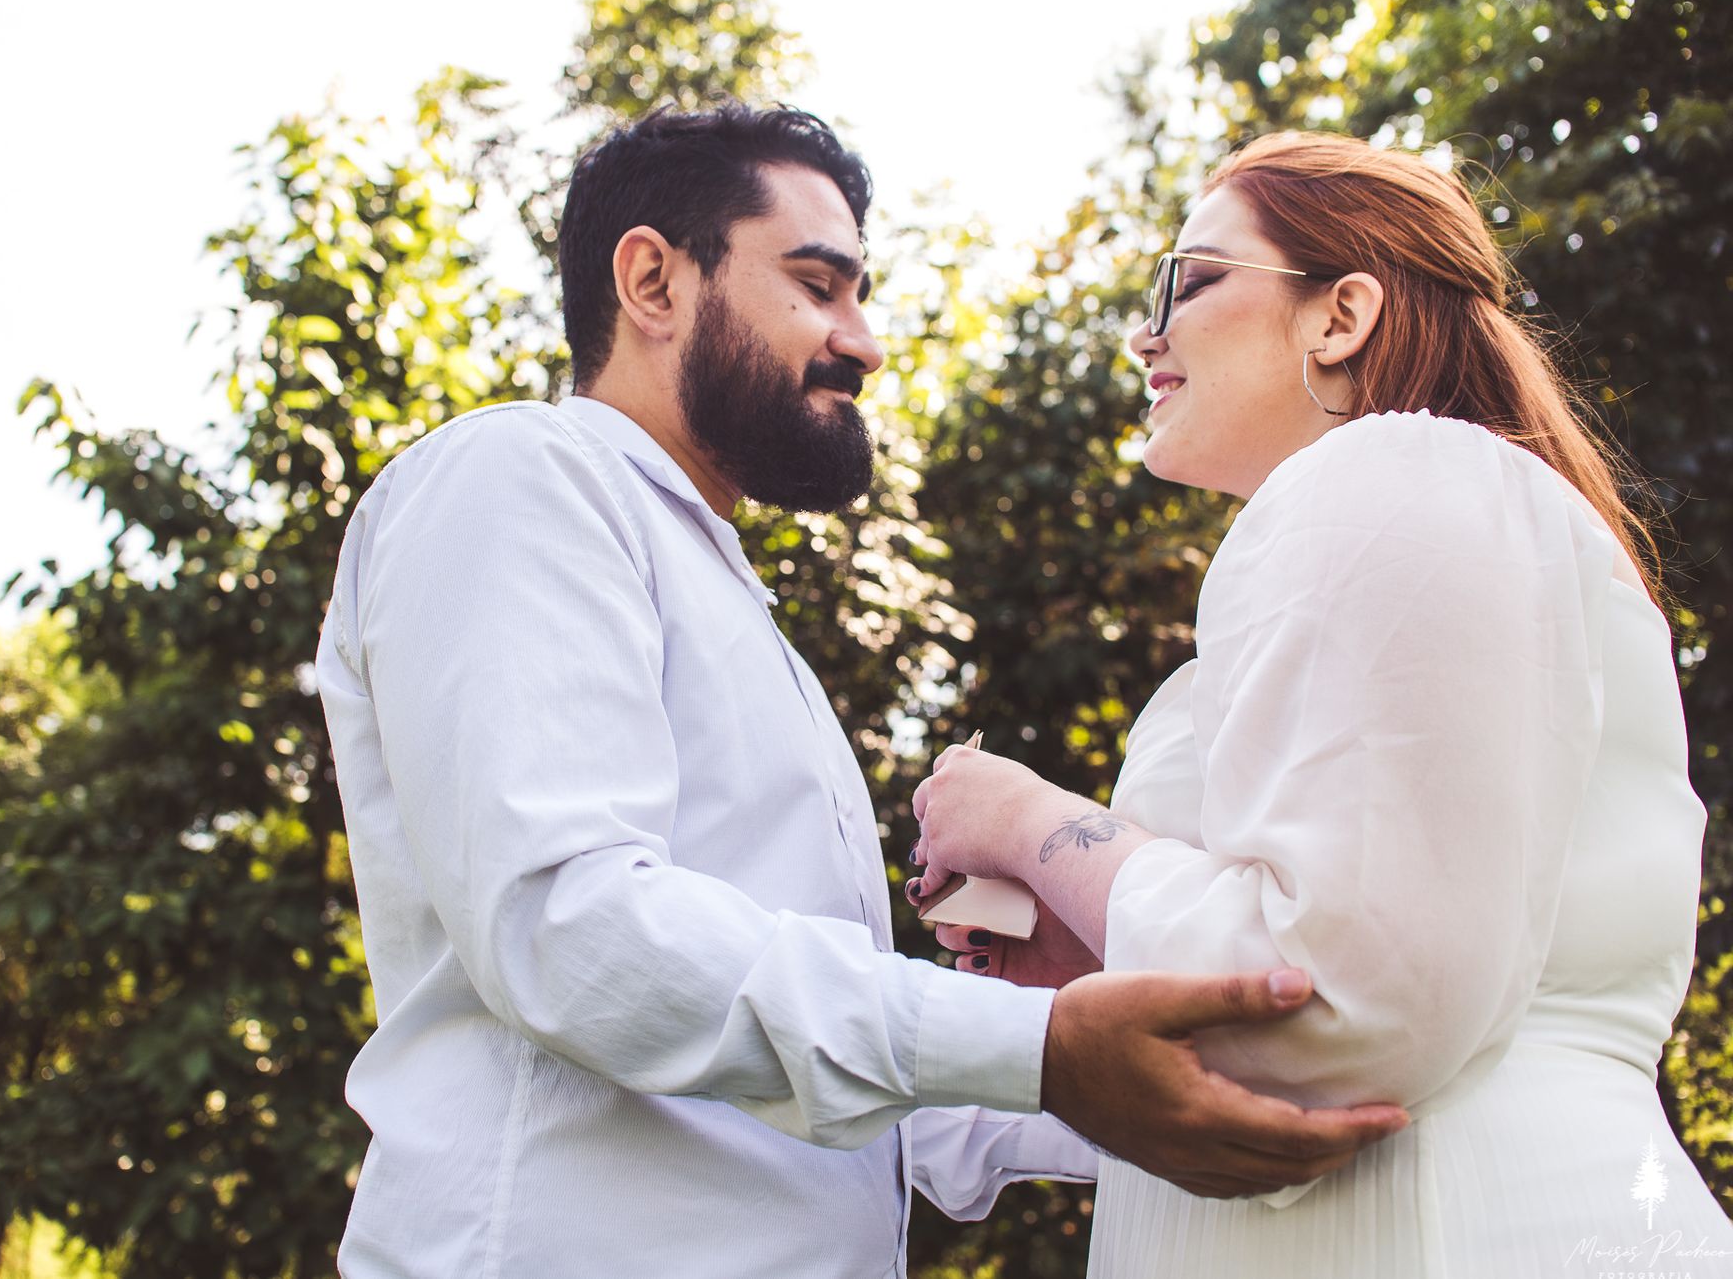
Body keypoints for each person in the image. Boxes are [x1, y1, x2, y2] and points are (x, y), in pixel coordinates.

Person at [314, 106, 1407, 1277]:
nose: (866, 341)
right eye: (819, 284)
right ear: (653, 280)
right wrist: (1044, 1042)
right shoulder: (521, 477)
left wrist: (1183, 1076)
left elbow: (851, 1089)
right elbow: (573, 928)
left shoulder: (729, 604)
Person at [909, 129, 1733, 1278]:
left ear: (1340, 317)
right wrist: (1094, 952)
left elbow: (1325, 1007)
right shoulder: (1379, 540)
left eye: (1189, 280)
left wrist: (1029, 824)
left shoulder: (1401, 477)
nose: (1149, 333)